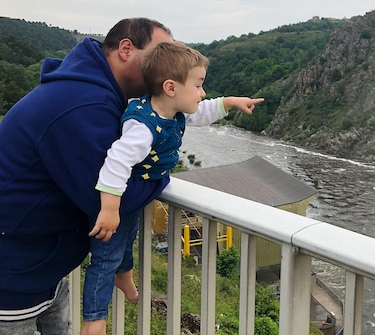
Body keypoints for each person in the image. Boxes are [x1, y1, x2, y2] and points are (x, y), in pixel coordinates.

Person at [0, 17, 175, 335]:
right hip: (12, 278)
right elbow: (111, 198)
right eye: (159, 54)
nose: (165, 68)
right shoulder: (82, 105)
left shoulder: (90, 90)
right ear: (125, 49)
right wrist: (161, 174)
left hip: (40, 267)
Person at [81, 41, 263, 335]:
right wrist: (110, 208)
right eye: (198, 84)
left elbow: (201, 111)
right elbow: (116, 161)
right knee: (105, 257)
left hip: (135, 195)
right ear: (170, 87)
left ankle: (124, 277)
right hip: (118, 197)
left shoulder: (173, 111)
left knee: (128, 239)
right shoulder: (142, 128)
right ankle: (94, 320)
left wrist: (230, 102)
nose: (202, 92)